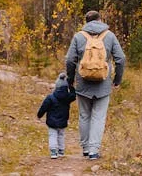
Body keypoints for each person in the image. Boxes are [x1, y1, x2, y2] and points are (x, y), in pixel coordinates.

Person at [65, 10, 125, 160]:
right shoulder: (110, 36)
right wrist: (117, 80)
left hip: (82, 83)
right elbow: (121, 59)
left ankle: (85, 148)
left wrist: (71, 80)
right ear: (100, 20)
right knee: (98, 117)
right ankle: (94, 151)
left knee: (84, 115)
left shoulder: (79, 36)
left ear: (86, 22)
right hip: (103, 84)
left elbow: (70, 60)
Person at [36, 72, 76, 159]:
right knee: (61, 135)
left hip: (52, 121)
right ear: (66, 87)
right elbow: (74, 95)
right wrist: (71, 86)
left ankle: (53, 152)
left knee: (52, 135)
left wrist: (39, 115)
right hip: (63, 121)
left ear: (56, 86)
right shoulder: (68, 97)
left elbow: (44, 107)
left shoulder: (50, 97)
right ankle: (61, 151)